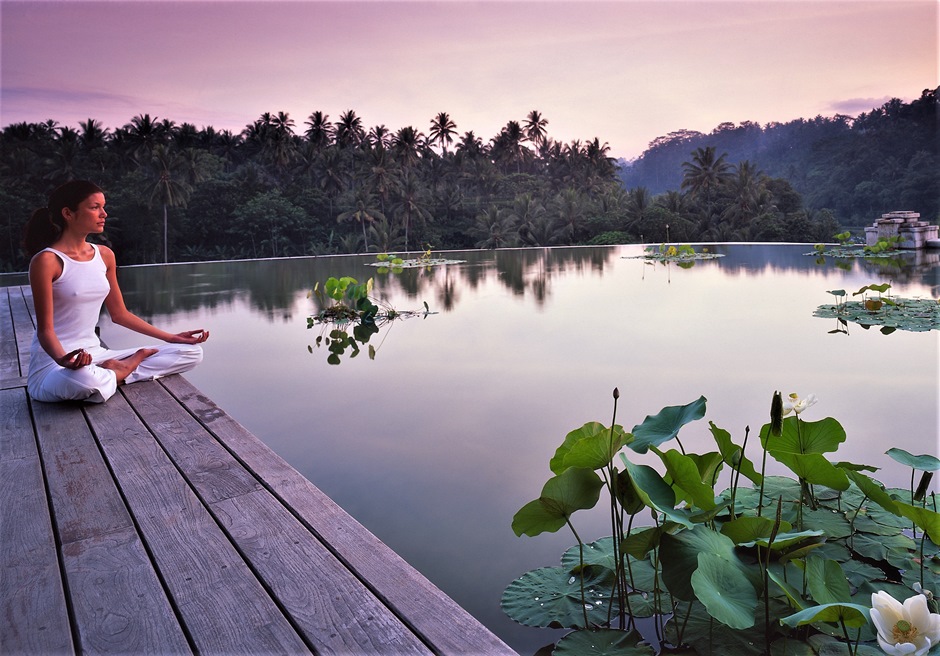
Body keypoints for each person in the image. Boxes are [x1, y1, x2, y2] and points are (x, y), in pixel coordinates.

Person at [22, 180, 209, 403]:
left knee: (191, 353)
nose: (104, 214)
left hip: (97, 355)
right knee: (83, 380)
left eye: (103, 206)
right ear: (68, 213)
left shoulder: (105, 255)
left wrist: (172, 337)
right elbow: (45, 330)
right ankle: (121, 371)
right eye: (94, 207)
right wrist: (63, 360)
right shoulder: (47, 260)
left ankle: (111, 373)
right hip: (54, 364)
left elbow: (120, 314)